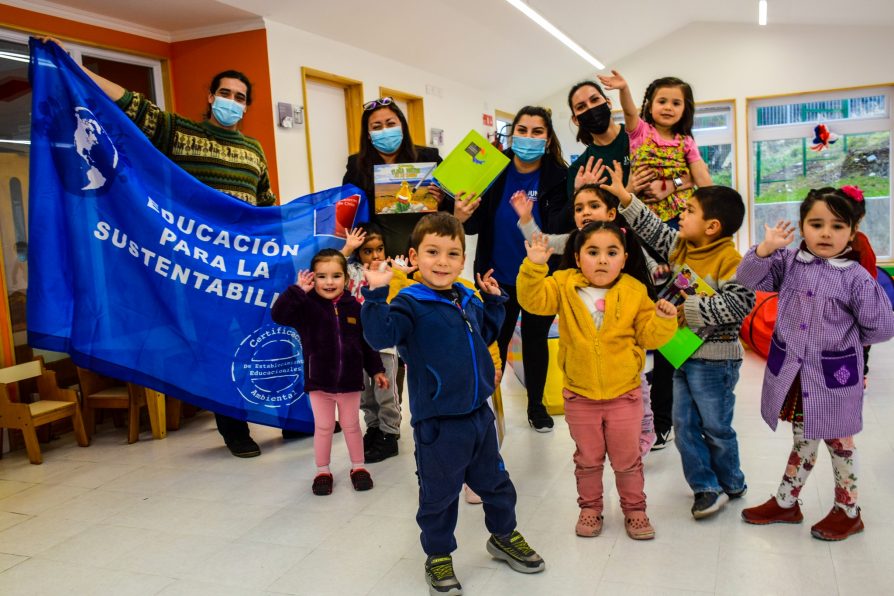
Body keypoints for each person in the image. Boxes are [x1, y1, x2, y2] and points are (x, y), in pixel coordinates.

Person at [42, 37, 281, 458]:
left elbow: (267, 207)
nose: (231, 101)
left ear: (247, 106)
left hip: (243, 265)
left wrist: (282, 247)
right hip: (198, 264)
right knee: (216, 346)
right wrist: (72, 65)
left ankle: (282, 416)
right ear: (211, 97)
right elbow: (132, 105)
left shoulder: (255, 150)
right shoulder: (179, 131)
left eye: (240, 97)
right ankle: (233, 428)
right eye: (225, 93)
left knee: (259, 340)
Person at [361, 213, 545, 595]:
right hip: (438, 425)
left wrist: (495, 301)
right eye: (432, 252)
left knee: (498, 485)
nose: (442, 262)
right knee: (439, 496)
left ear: (463, 260)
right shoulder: (408, 303)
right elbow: (381, 335)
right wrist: (377, 294)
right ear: (414, 255)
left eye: (452, 253)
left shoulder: (467, 296)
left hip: (479, 416)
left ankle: (503, 536)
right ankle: (438, 555)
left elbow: (487, 334)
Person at [736, 188, 894, 541]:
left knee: (839, 442)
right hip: (795, 372)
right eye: (816, 224)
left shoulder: (855, 277)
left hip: (834, 377)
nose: (826, 233)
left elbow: (882, 326)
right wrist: (765, 249)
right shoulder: (789, 263)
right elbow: (746, 279)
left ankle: (848, 511)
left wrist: (846, 340)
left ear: (852, 233)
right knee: (804, 437)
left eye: (837, 226)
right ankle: (786, 501)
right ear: (802, 227)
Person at [608, 161, 756, 520]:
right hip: (679, 354)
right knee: (684, 424)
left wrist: (688, 308)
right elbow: (653, 228)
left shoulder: (732, 260)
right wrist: (625, 197)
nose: (681, 216)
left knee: (716, 427)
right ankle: (705, 487)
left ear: (712, 226)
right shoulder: (681, 246)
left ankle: (732, 480)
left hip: (716, 361)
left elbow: (740, 304)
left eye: (688, 211)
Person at [517, 223, 677, 540]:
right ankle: (590, 508)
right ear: (577, 257)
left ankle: (635, 510)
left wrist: (664, 319)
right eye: (593, 252)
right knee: (587, 460)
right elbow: (533, 301)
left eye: (611, 252)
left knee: (627, 460)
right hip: (580, 395)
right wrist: (534, 267)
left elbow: (650, 336)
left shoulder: (633, 291)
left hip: (625, 395)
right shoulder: (563, 284)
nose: (602, 260)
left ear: (624, 258)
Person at [567, 79, 678, 451]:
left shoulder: (637, 138)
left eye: (595, 99)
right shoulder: (580, 167)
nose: (590, 108)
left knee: (669, 335)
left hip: (658, 252)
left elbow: (677, 175)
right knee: (627, 337)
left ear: (608, 101)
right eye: (581, 106)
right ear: (575, 117)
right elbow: (581, 219)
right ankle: (636, 415)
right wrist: (589, 193)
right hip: (613, 262)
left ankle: (666, 418)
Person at [512, 184, 662, 455]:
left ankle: (645, 431)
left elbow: (650, 267)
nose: (585, 212)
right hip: (588, 345)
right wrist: (525, 218)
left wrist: (660, 278)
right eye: (579, 208)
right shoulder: (572, 241)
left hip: (623, 344)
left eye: (593, 206)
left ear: (612, 213)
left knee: (637, 389)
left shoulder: (626, 241)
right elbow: (540, 240)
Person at [454, 106, 570, 431]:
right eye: (522, 130)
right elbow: (475, 223)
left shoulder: (559, 176)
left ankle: (536, 405)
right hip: (496, 275)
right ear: (512, 133)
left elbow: (560, 227)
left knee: (535, 340)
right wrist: (460, 214)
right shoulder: (492, 170)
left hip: (539, 275)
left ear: (548, 139)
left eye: (537, 132)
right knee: (495, 342)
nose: (528, 138)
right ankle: (487, 405)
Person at [271, 249, 387, 495]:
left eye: (336, 276)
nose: (329, 282)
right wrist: (297, 291)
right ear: (313, 278)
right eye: (322, 276)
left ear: (346, 278)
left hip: (350, 382)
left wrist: (376, 370)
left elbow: (366, 343)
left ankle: (358, 467)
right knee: (323, 427)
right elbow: (278, 315)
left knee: (352, 425)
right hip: (319, 383)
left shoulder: (355, 306)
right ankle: (323, 471)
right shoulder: (305, 306)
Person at [598, 71, 712, 226]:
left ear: (685, 109)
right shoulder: (640, 132)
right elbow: (630, 113)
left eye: (676, 103)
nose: (668, 107)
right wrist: (624, 89)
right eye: (662, 101)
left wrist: (716, 210)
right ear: (650, 107)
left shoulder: (686, 141)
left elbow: (702, 179)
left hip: (681, 214)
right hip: (645, 214)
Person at [342, 97, 446, 256]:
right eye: (376, 127)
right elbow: (350, 212)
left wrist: (442, 200)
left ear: (402, 126)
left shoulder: (429, 159)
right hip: (379, 256)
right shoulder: (357, 167)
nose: (385, 131)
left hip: (427, 250)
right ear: (369, 135)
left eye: (390, 124)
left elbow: (453, 207)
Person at [340, 223, 403, 462]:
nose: (376, 255)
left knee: (385, 390)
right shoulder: (351, 271)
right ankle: (374, 427)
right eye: (368, 250)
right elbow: (329, 270)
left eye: (380, 249)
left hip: (383, 345)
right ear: (359, 253)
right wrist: (347, 248)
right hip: (357, 346)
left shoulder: (392, 271)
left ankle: (390, 433)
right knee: (365, 393)